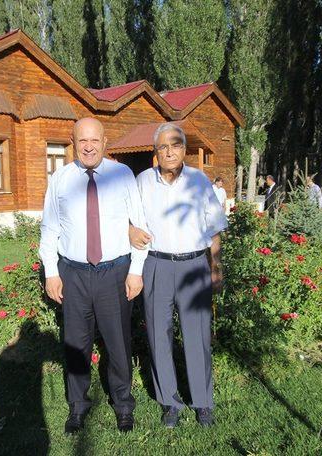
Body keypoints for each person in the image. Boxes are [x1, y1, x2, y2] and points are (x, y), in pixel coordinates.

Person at [39, 117, 148, 434]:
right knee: (76, 343)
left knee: (118, 344)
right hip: (72, 273)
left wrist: (136, 271)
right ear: (73, 142)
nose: (88, 146)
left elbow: (138, 227)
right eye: (82, 140)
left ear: (104, 141)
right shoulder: (60, 179)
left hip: (114, 272)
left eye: (94, 140)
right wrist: (50, 272)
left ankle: (123, 404)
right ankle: (77, 405)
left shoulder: (122, 175)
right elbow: (50, 228)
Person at [130, 123, 227, 428]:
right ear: (155, 152)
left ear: (184, 149)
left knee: (197, 336)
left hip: (194, 265)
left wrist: (216, 267)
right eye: (163, 147)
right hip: (156, 265)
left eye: (175, 145)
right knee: (159, 336)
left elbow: (213, 231)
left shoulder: (200, 181)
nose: (169, 152)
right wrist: (129, 230)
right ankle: (169, 401)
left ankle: (202, 401)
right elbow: (127, 219)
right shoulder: (142, 181)